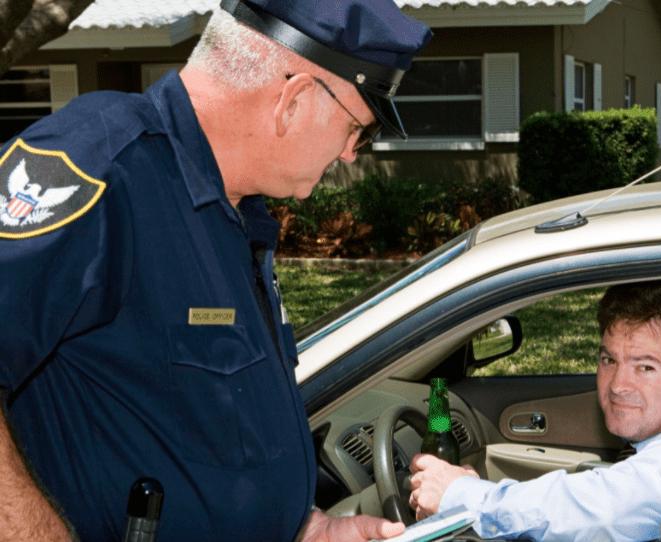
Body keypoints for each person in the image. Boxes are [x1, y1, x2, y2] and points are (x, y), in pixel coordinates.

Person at [0, 1, 431, 540]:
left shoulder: (233, 210)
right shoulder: (103, 166)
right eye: (358, 129)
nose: (350, 154)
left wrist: (307, 529)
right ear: (293, 100)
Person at [409, 280, 661, 541]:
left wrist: (459, 494)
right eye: (609, 359)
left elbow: (602, 510)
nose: (617, 383)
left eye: (645, 367)